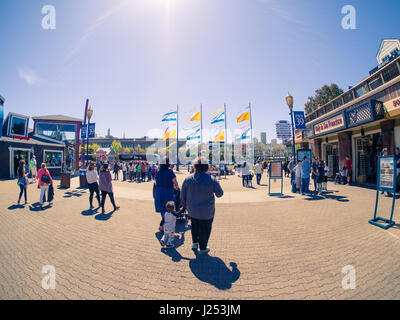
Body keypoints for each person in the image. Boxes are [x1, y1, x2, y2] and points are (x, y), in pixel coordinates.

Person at [181, 157, 224, 254]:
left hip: (192, 210)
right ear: (206, 167)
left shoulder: (187, 179)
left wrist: (185, 206)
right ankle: (203, 248)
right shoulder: (212, 179)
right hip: (207, 211)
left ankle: (195, 243)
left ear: (195, 166)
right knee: (205, 229)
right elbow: (220, 194)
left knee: (194, 226)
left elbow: (182, 195)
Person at [154, 159, 179, 232]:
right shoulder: (170, 172)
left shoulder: (158, 172)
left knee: (162, 209)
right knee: (169, 208)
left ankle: (163, 224)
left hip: (158, 192)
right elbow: (175, 182)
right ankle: (165, 225)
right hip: (167, 192)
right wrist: (177, 187)